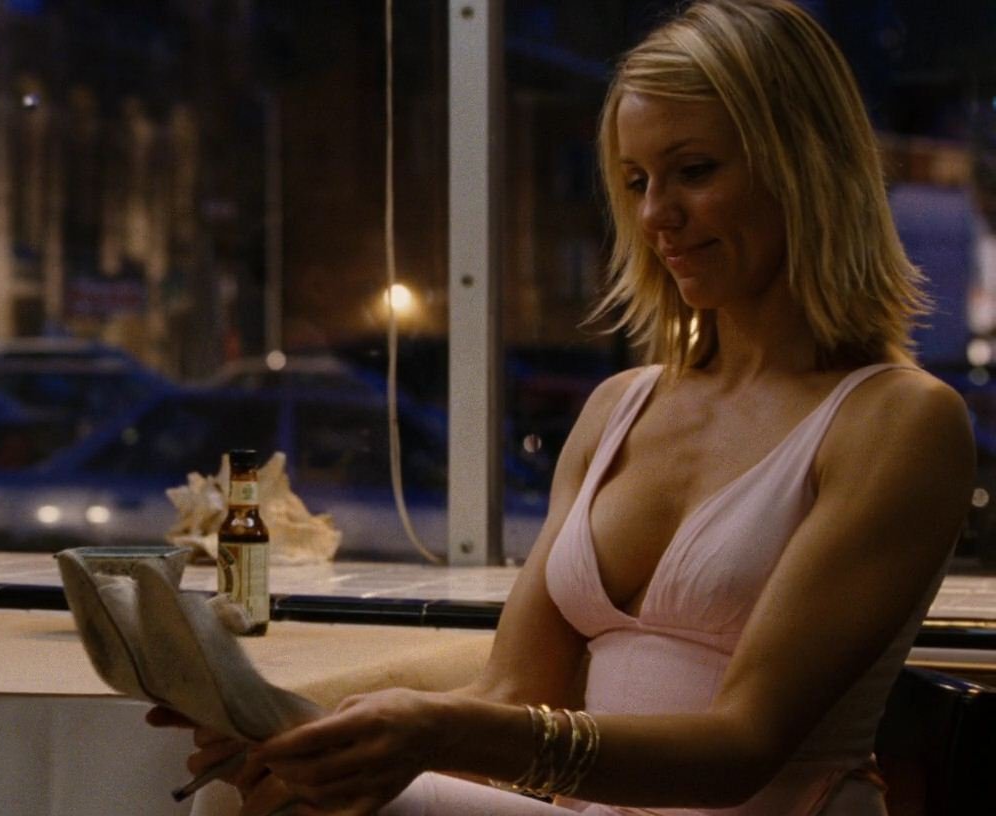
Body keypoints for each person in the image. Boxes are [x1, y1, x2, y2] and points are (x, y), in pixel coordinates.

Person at [152, 1, 974, 813]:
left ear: (806, 168)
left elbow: (739, 749)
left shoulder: (900, 422)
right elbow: (515, 691)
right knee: (265, 792)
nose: (655, 216)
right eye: (636, 182)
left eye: (694, 171)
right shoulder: (620, 408)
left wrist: (431, 731)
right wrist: (306, 734)